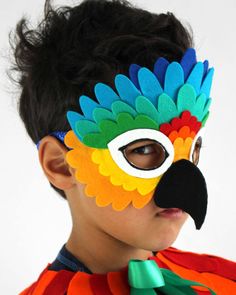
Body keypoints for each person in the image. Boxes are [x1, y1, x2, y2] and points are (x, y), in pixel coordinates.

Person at [10, 0, 236, 294]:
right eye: (143, 150)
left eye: (192, 149)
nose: (188, 186)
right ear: (61, 164)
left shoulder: (223, 279)